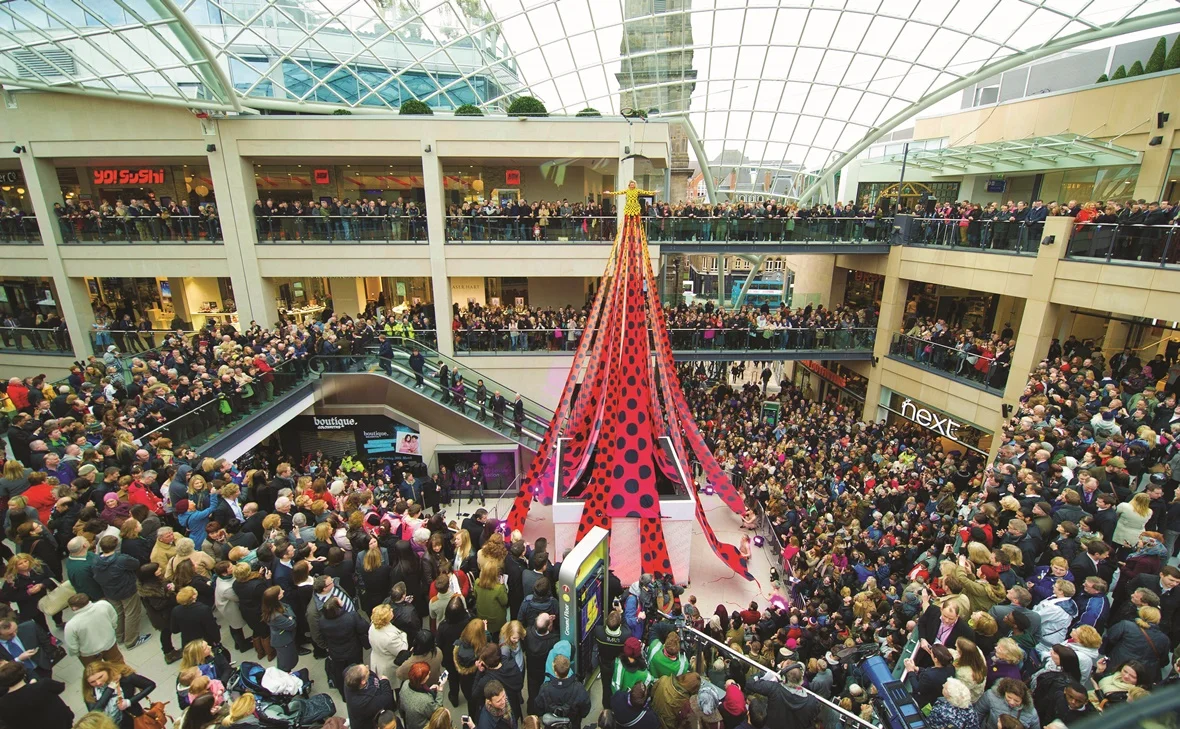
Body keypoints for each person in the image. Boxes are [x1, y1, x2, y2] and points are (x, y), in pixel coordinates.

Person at [92, 536, 152, 648]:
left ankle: (119, 636)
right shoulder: (121, 559)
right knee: (131, 613)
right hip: (126, 590)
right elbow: (135, 563)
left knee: (118, 613)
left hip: (109, 591)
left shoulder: (96, 560)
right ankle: (131, 640)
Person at [82, 660, 158, 729]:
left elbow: (150, 685)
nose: (98, 683)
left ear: (107, 670)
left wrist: (129, 702)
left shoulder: (124, 678)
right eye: (92, 682)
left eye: (100, 677)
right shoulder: (90, 691)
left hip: (133, 721)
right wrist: (109, 690)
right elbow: (94, 712)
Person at [0, 659, 73, 729]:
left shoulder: (3, 704)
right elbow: (61, 687)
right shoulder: (43, 684)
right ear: (23, 673)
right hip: (64, 724)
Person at [65, 592, 125, 666]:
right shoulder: (104, 605)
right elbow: (114, 619)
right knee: (119, 665)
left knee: (96, 672)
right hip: (109, 644)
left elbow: (72, 646)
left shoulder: (71, 625)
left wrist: (78, 654)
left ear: (74, 608)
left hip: (89, 653)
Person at [535, 654, 591, 729]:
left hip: (552, 726)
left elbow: (538, 709)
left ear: (555, 671)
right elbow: (585, 709)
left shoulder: (545, 688)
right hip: (572, 725)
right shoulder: (578, 688)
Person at [0, 615, 54, 680]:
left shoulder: (30, 627)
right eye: (10, 634)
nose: (15, 634)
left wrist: (49, 658)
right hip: (19, 678)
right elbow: (2, 668)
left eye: (16, 630)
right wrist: (18, 659)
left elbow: (46, 642)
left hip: (42, 668)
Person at [344, 663, 395, 729]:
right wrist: (385, 681)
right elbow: (387, 698)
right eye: (366, 671)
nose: (367, 666)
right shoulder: (364, 702)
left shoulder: (350, 678)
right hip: (366, 724)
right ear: (363, 682)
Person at [262, 585, 299, 672]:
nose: (283, 591)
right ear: (277, 597)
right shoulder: (275, 616)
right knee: (286, 663)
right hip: (283, 641)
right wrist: (290, 617)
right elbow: (292, 624)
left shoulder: (273, 606)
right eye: (281, 591)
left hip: (284, 639)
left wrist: (289, 617)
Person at [401, 661, 445, 729]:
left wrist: (429, 690)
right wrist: (440, 691)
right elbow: (437, 710)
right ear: (422, 680)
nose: (429, 672)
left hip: (410, 722)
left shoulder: (405, 684)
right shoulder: (425, 700)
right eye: (427, 674)